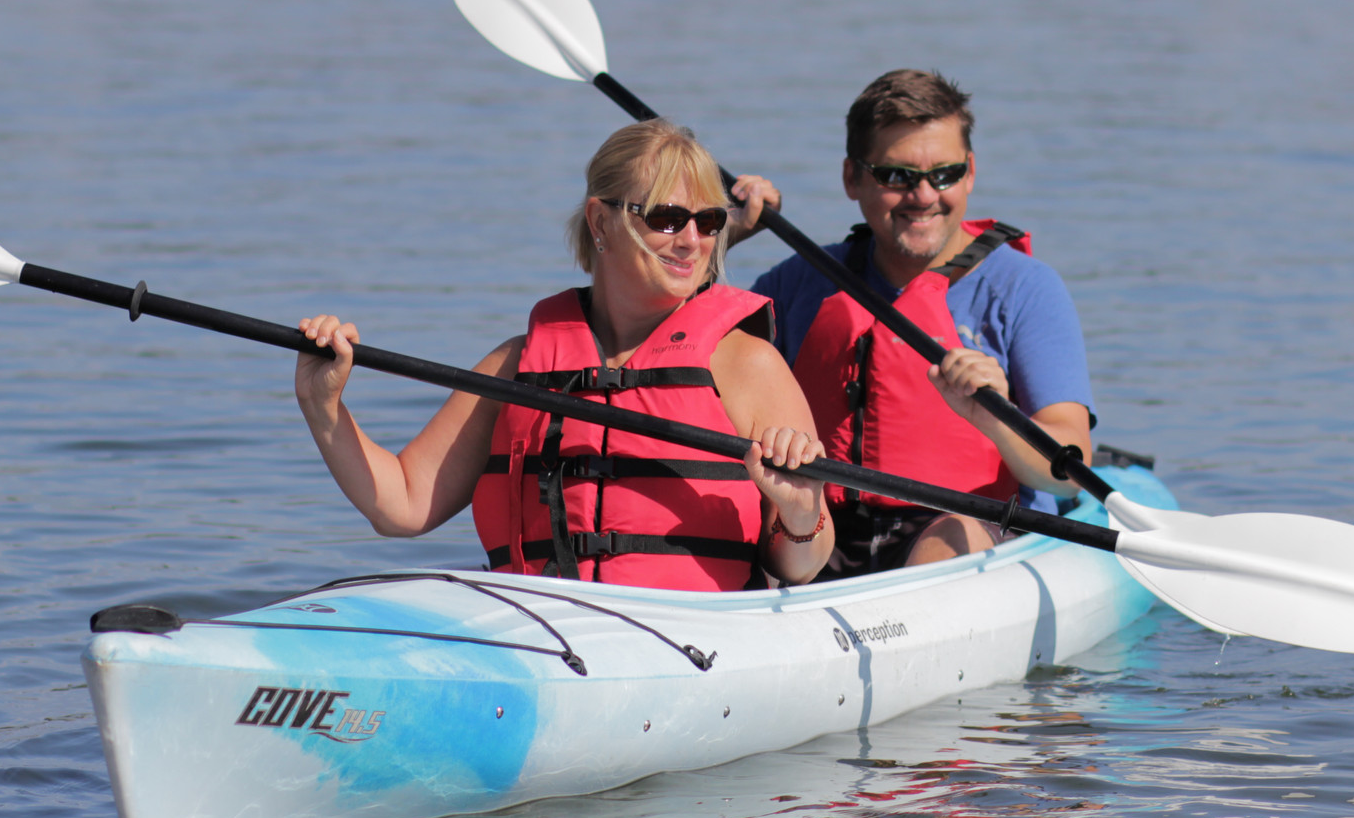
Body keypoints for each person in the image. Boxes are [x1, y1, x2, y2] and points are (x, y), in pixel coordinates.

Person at [295, 118, 835, 590]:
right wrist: (324, 409)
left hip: (693, 638)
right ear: (601, 222)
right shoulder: (516, 365)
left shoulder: (748, 365)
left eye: (709, 222)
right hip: (543, 627)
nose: (692, 240)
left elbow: (804, 565)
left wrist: (799, 509)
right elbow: (404, 505)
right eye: (668, 218)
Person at [728, 69, 1095, 578]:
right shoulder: (799, 283)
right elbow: (681, 360)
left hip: (969, 529)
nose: (924, 196)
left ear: (969, 173)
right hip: (819, 529)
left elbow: (1068, 476)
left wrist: (994, 413)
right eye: (897, 176)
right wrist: (719, 236)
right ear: (852, 178)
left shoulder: (1024, 288)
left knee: (945, 541)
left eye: (943, 174)